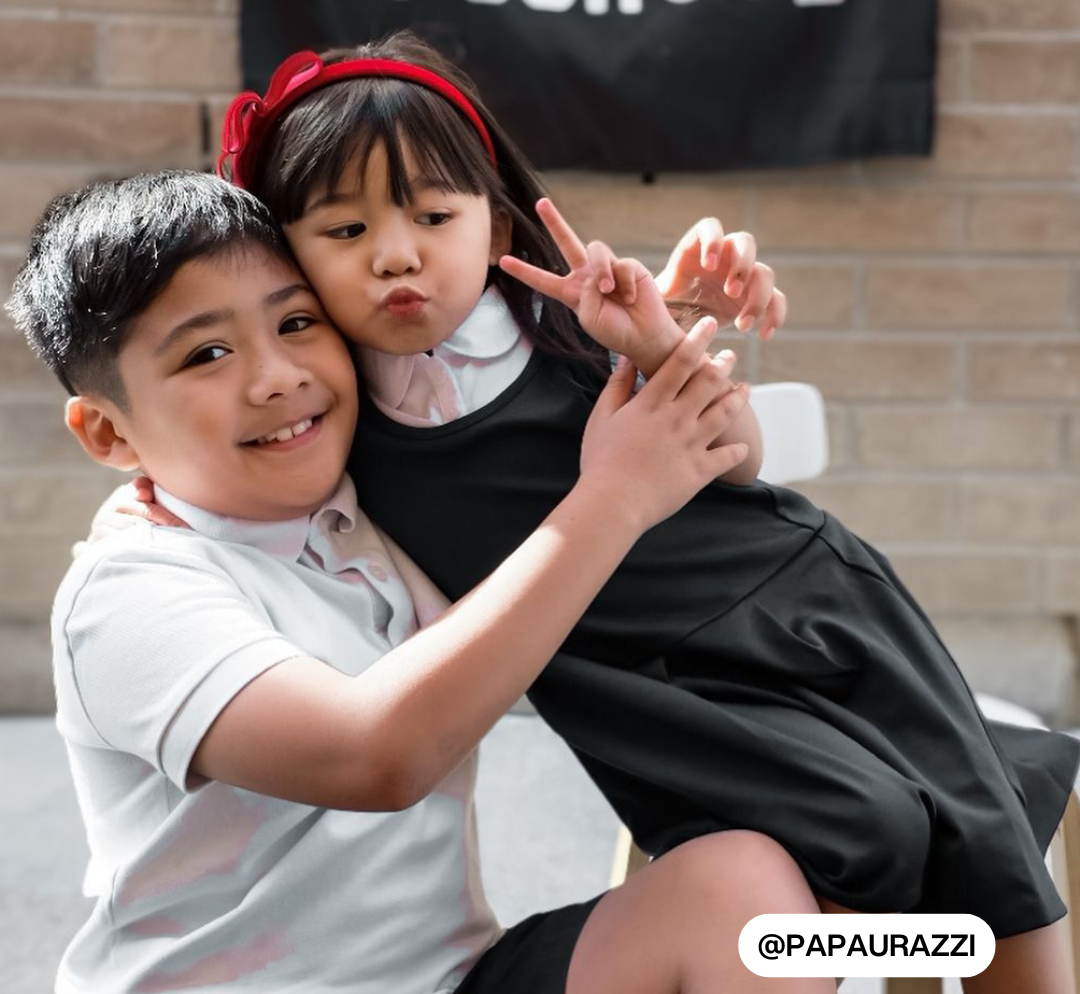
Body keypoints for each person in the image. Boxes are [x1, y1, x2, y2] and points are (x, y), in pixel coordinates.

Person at [217, 32, 1080, 990]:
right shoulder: (328, 412)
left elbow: (741, 463)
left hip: (784, 604)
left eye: (432, 214)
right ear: (282, 254)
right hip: (635, 688)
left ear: (498, 229)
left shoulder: (574, 321)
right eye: (343, 233)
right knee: (864, 841)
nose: (395, 255)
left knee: (976, 844)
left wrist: (668, 343)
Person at [7, 170, 834, 994]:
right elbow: (376, 756)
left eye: (298, 322)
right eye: (208, 353)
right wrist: (613, 499)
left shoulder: (372, 498)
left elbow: (640, 471)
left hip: (450, 979)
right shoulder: (130, 594)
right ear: (110, 430)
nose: (277, 377)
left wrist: (668, 336)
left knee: (748, 894)